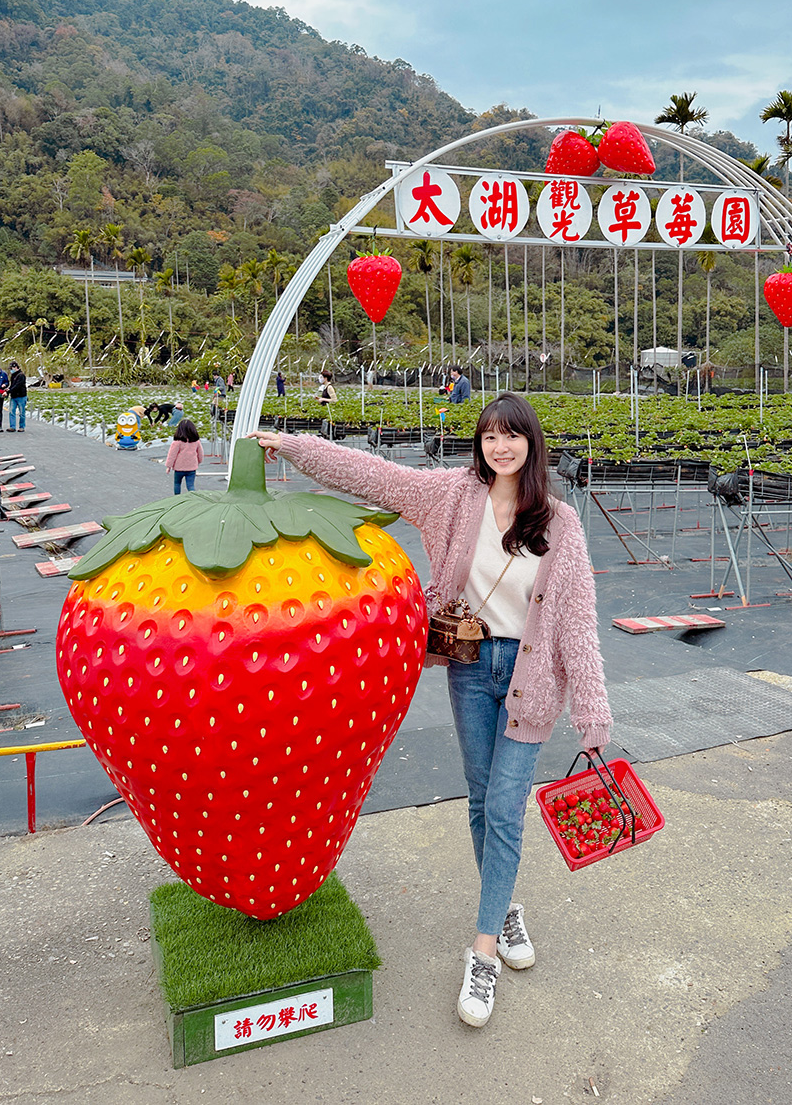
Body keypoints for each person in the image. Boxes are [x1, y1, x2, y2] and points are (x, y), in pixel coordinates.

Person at [250, 393, 612, 1029]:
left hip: (529, 679)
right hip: (471, 670)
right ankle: (505, 913)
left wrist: (592, 706)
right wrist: (295, 446)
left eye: (512, 437)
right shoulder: (452, 494)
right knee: (479, 801)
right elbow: (376, 475)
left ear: (532, 445)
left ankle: (482, 954)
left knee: (504, 807)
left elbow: (577, 623)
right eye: (489, 437)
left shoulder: (559, 523)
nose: (499, 448)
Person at [165, 418, 204, 494]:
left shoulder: (177, 442)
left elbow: (172, 455)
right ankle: (193, 498)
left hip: (179, 468)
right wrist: (199, 461)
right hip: (191, 467)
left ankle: (177, 498)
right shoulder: (196, 442)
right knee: (190, 485)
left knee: (177, 484)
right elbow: (200, 453)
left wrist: (168, 466)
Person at [7, 362, 27, 431]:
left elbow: (17, 385)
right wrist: (8, 389)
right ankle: (12, 426)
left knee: (22, 412)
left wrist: (9, 391)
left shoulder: (21, 375)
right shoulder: (13, 375)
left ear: (15, 367)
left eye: (11, 368)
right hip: (13, 396)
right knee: (11, 412)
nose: (11, 370)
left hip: (21, 396)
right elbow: (12, 385)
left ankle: (22, 426)